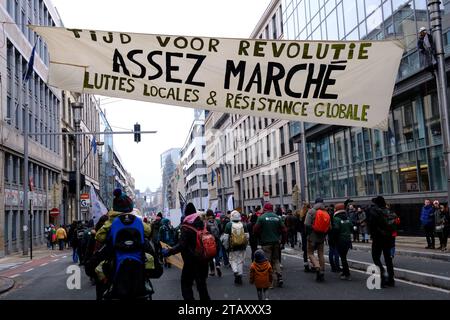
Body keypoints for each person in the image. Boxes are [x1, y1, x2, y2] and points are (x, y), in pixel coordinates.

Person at [162, 203, 211, 301]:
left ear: (186, 213)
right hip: (203, 260)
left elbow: (181, 245)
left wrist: (169, 252)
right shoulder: (203, 224)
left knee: (186, 285)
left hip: (191, 261)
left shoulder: (186, 226)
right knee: (202, 286)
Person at [253, 202, 287, 288]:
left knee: (267, 262)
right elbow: (284, 230)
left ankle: (271, 281)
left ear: (265, 209)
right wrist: (282, 242)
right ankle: (279, 275)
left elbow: (255, 230)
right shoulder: (277, 218)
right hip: (276, 242)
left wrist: (259, 239)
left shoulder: (261, 218)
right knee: (276, 260)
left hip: (266, 243)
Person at [367, 196, 395, 288]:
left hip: (378, 238)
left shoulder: (374, 211)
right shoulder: (389, 211)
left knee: (376, 258)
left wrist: (372, 234)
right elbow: (394, 224)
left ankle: (383, 276)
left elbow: (371, 225)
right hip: (389, 238)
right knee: (388, 259)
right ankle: (391, 280)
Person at [305, 198, 330, 282]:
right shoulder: (326, 212)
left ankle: (317, 267)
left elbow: (306, 223)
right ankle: (322, 270)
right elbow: (329, 227)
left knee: (310, 253)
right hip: (322, 237)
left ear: (315, 203)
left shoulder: (311, 211)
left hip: (312, 237)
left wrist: (311, 230)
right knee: (321, 254)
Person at [222, 210, 249, 285]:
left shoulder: (229, 225)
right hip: (242, 246)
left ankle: (235, 271)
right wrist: (245, 245)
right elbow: (247, 236)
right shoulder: (243, 224)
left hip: (232, 246)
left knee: (232, 260)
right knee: (240, 261)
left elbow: (225, 238)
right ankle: (240, 275)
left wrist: (226, 246)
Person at [332, 203, 353, 281]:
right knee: (344, 256)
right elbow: (352, 227)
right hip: (348, 240)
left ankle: (347, 274)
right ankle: (344, 272)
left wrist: (334, 238)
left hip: (340, 240)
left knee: (343, 257)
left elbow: (336, 229)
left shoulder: (336, 219)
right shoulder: (347, 218)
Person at [205, 209, 222, 277]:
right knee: (217, 254)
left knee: (210, 256)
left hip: (209, 241)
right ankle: (217, 265)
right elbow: (220, 230)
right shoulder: (217, 221)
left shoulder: (206, 223)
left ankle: (212, 271)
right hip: (217, 240)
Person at [297, 204, 312, 272]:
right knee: (311, 250)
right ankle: (313, 265)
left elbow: (299, 227)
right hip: (309, 234)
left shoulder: (301, 216)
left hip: (303, 234)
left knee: (305, 250)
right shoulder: (309, 215)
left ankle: (306, 265)